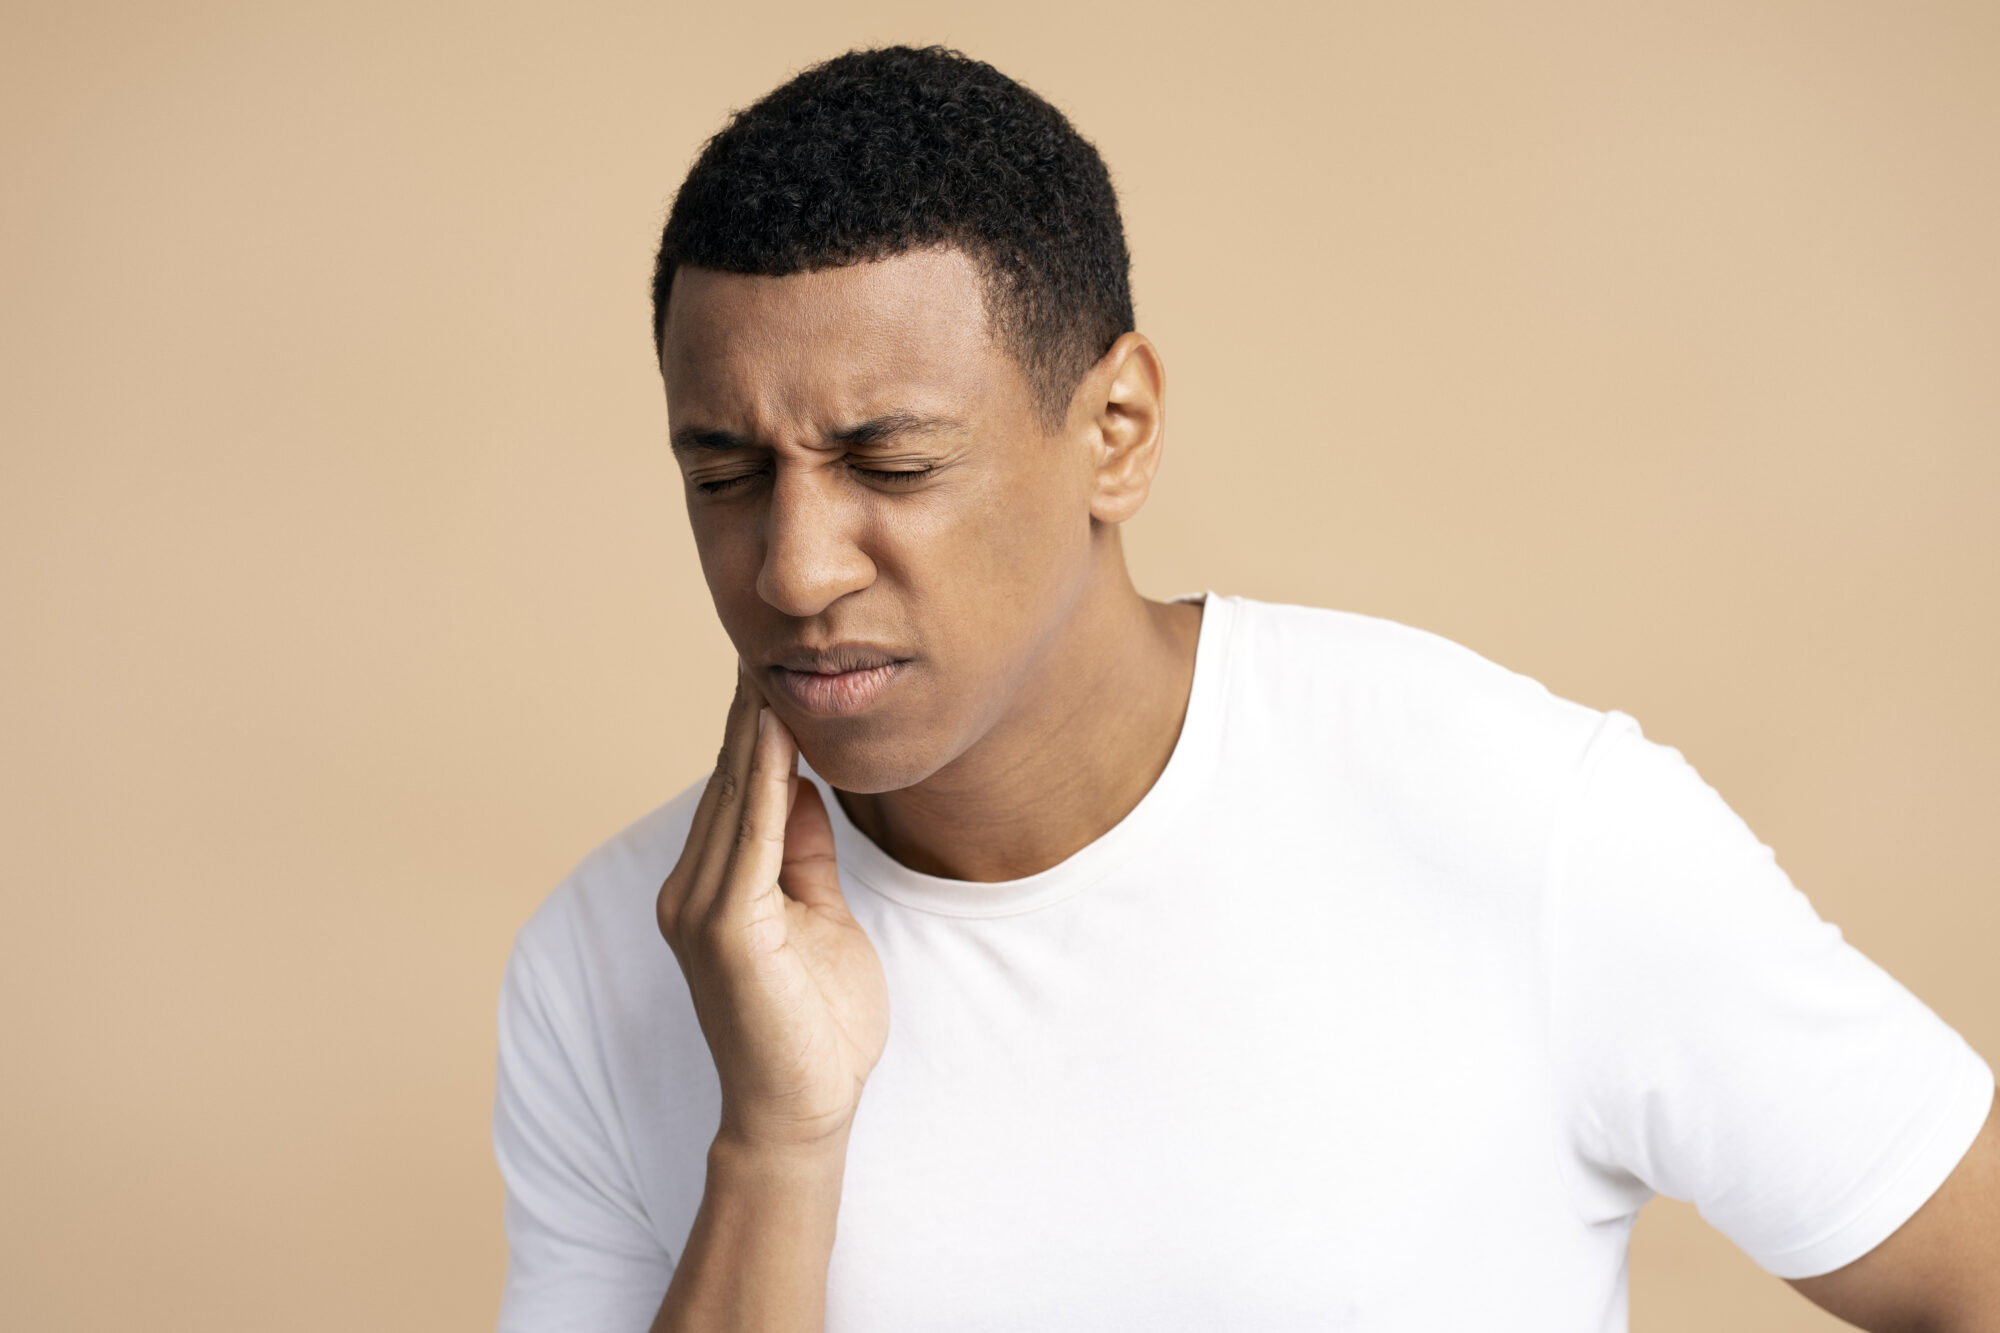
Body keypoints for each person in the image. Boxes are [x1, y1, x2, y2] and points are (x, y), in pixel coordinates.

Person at [491, 44, 1998, 1333]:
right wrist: (775, 1139)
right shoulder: (604, 965)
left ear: (1118, 430)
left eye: (892, 463)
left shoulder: (1526, 826)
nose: (796, 566)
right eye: (725, 472)